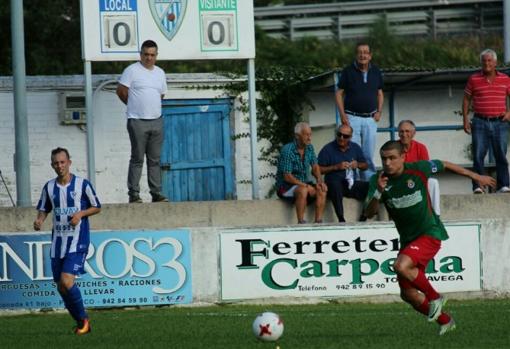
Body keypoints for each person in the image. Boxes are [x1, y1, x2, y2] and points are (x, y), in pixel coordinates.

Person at [364, 141, 496, 336]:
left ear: (403, 157)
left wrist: (475, 176)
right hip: (408, 241)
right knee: (408, 294)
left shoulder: (418, 169)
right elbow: (369, 212)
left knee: (400, 266)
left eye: (392, 158)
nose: (388, 163)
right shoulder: (378, 180)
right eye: (384, 158)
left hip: (429, 233)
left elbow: (444, 164)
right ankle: (446, 321)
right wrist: (378, 192)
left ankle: (435, 297)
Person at [33, 147, 101, 335]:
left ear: (69, 162)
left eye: (63, 162)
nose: (59, 166)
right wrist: (40, 219)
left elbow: (97, 206)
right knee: (62, 287)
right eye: (56, 163)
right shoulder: (49, 187)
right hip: (58, 243)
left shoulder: (82, 185)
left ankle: (84, 321)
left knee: (66, 280)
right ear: (52, 165)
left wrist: (81, 213)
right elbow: (44, 208)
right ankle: (81, 323)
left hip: (77, 241)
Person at [117, 39, 169, 203]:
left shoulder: (160, 72)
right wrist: (134, 106)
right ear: (141, 54)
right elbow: (121, 91)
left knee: (155, 160)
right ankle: (134, 194)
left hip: (156, 121)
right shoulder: (131, 70)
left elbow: (161, 94)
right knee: (137, 158)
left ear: (156, 56)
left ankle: (156, 193)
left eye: (152, 55)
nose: (149, 58)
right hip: (137, 121)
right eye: (146, 54)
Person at [462, 48, 510, 194]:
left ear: (495, 62)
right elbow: (466, 99)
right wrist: (465, 118)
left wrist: (509, 113)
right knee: (477, 155)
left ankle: (504, 185)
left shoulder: (506, 79)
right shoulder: (474, 79)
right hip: (480, 121)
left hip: (500, 122)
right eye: (484, 61)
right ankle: (478, 185)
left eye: (489, 60)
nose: (486, 63)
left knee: (500, 154)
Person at [335, 42, 384, 181]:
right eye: (360, 52)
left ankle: (369, 183)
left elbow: (380, 93)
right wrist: (342, 115)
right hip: (352, 118)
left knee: (368, 153)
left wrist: (379, 111)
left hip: (370, 119)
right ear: (356, 55)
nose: (363, 55)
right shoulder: (348, 71)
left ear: (370, 55)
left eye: (365, 52)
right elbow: (339, 94)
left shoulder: (376, 72)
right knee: (352, 152)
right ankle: (353, 183)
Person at [276, 122, 327, 224]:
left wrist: (319, 180)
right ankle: (301, 222)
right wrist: (307, 186)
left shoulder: (309, 147)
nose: (309, 138)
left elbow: (315, 166)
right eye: (306, 135)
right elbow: (287, 177)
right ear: (297, 136)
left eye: (310, 134)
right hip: (286, 187)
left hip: (304, 183)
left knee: (322, 189)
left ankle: (318, 221)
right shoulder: (288, 150)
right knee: (303, 190)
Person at [318, 124, 369, 222]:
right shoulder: (327, 149)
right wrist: (336, 167)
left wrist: (357, 164)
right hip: (334, 184)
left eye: (345, 136)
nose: (341, 138)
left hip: (350, 183)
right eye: (339, 134)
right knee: (335, 184)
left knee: (372, 186)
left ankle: (364, 216)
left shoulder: (355, 147)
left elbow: (365, 166)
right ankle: (341, 218)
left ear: (350, 137)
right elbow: (318, 169)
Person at [398, 120, 441, 215]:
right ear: (398, 133)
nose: (404, 134)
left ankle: (436, 215)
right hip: (399, 181)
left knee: (433, 183)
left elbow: (426, 169)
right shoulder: (394, 147)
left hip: (417, 180)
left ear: (413, 133)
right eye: (401, 131)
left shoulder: (421, 147)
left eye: (407, 131)